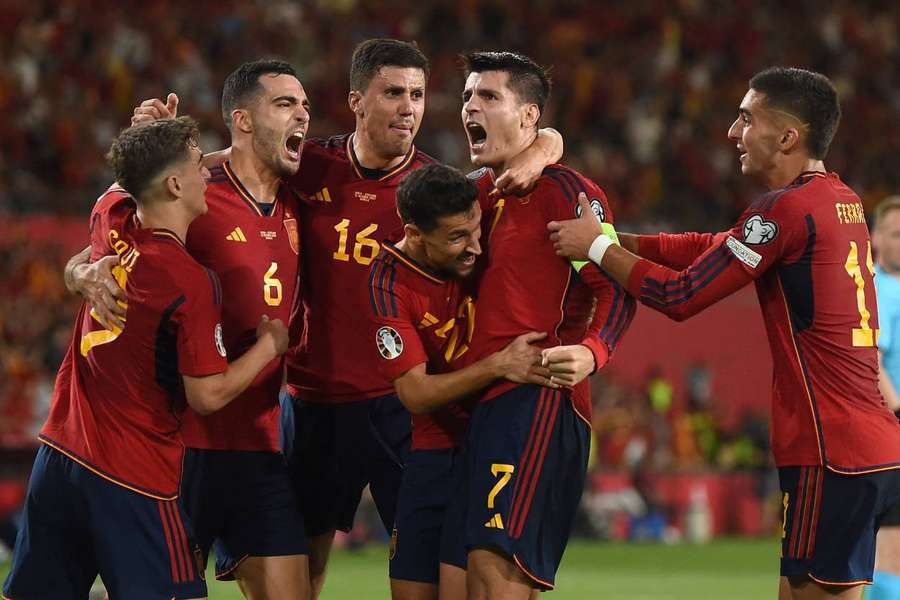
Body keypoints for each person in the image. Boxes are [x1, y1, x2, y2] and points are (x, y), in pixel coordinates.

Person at [548, 66, 900, 600]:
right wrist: (618, 237)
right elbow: (712, 246)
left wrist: (597, 249)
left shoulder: (784, 209)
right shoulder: (839, 201)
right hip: (864, 441)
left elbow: (681, 295)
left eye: (745, 118)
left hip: (828, 448)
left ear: (787, 136)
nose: (733, 133)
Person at [3, 117, 289, 600]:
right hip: (133, 475)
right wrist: (268, 346)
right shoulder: (189, 281)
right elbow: (207, 393)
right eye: (201, 166)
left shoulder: (110, 217)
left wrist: (153, 130)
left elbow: (126, 179)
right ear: (176, 183)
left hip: (59, 457)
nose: (209, 176)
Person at [66, 60, 311, 600]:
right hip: (179, 448)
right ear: (242, 121)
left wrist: (547, 136)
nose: (303, 116)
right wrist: (79, 272)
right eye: (286, 104)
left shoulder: (304, 191)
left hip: (258, 441)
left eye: (305, 106)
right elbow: (100, 253)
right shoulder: (193, 190)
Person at [441, 51, 635, 600]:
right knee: (465, 582)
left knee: (494, 573)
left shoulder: (568, 195)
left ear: (529, 116)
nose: (470, 107)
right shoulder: (476, 195)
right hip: (481, 399)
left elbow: (615, 289)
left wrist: (595, 353)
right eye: (467, 97)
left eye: (489, 97)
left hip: (538, 400)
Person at [368, 163, 556, 600]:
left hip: (491, 445)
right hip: (432, 452)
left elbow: (541, 145)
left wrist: (550, 140)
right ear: (415, 235)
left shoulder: (472, 196)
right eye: (456, 238)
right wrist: (497, 365)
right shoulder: (387, 282)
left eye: (475, 230)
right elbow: (414, 393)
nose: (474, 246)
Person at [871, 196, 900, 600]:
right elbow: (870, 360)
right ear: (875, 237)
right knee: (889, 556)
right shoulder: (881, 288)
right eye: (895, 233)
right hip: (893, 435)